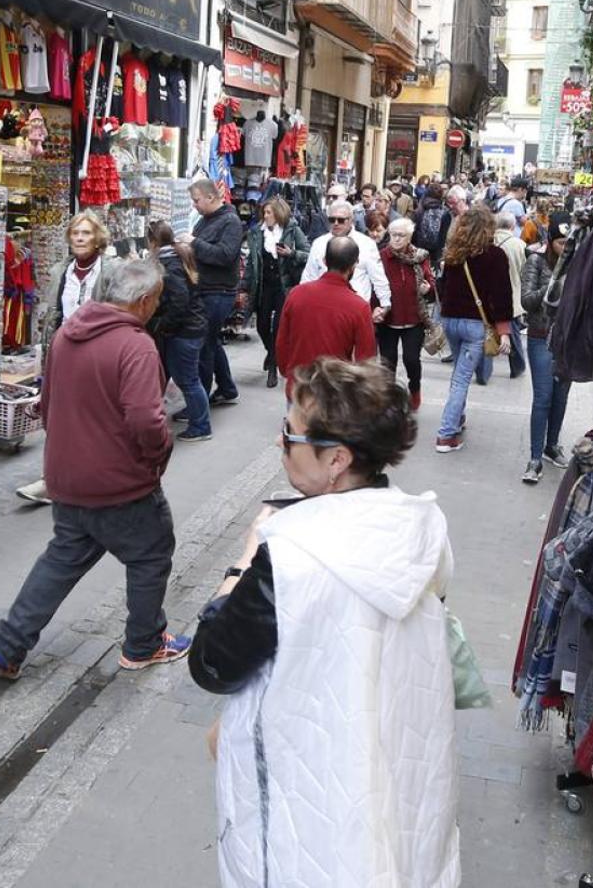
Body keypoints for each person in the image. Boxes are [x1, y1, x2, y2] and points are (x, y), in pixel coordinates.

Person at [190, 358, 460, 888]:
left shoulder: (290, 555)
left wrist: (240, 565)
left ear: (335, 459)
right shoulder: (420, 531)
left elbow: (212, 664)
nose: (280, 442)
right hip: (397, 774)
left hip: (309, 797)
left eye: (290, 432)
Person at [0, 260, 191, 679]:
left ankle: (4, 648)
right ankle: (144, 643)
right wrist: (159, 453)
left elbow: (47, 403)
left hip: (67, 477)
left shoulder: (65, 334)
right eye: (157, 299)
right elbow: (147, 420)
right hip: (120, 483)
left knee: (60, 561)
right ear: (144, 301)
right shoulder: (135, 345)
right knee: (150, 554)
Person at [18, 212, 111, 505]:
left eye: (86, 233)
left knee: (94, 419)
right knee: (58, 419)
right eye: (75, 234)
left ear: (98, 238)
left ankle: (93, 477)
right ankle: (51, 480)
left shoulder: (111, 271)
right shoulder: (62, 271)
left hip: (98, 355)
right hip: (65, 353)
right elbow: (54, 314)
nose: (80, 239)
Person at [432, 208, 513, 454]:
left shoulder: (454, 254)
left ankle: (457, 417)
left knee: (459, 371)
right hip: (475, 324)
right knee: (461, 378)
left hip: (451, 319)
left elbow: (443, 286)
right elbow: (502, 295)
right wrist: (504, 330)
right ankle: (446, 435)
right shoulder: (495, 255)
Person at [273, 237, 378, 399]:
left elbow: (282, 341)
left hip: (299, 387)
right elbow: (366, 358)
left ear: (324, 260)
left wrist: (288, 372)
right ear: (354, 264)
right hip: (335, 392)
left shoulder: (296, 294)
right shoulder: (359, 307)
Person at [146, 220, 211, 443]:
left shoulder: (169, 263)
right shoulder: (176, 256)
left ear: (153, 242)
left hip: (185, 331)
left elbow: (179, 300)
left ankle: (201, 426)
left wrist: (164, 324)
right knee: (182, 376)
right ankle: (194, 417)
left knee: (189, 380)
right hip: (190, 327)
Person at [187, 177, 245, 409]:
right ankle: (227, 387)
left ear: (211, 197)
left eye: (197, 200)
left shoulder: (230, 221)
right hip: (205, 289)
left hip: (218, 292)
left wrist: (193, 244)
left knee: (204, 343)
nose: (194, 205)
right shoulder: (205, 220)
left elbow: (225, 255)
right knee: (210, 340)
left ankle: (199, 401)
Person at [519, 228, 572, 483]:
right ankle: (535, 458)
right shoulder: (536, 261)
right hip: (540, 336)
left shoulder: (577, 264)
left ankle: (552, 445)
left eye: (569, 243)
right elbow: (527, 301)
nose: (565, 248)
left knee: (561, 396)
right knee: (543, 397)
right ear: (551, 242)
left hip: (566, 340)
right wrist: (552, 286)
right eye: (561, 243)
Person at [243, 196, 309, 390]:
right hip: (263, 285)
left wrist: (291, 254)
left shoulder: (292, 229)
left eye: (269, 212)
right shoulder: (256, 232)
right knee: (262, 325)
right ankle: (272, 353)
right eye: (264, 212)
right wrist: (245, 286)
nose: (266, 215)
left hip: (284, 286)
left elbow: (308, 252)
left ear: (279, 213)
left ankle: (273, 364)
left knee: (279, 326)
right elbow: (251, 261)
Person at [378, 216, 437, 412]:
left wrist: (427, 288)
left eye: (401, 235)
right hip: (389, 318)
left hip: (414, 318)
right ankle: (388, 398)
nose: (396, 239)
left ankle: (415, 390)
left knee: (411, 359)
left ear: (409, 236)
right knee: (388, 361)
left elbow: (430, 281)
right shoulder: (382, 256)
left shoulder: (420, 256)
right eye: (393, 235)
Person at [301, 200, 393, 311]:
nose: (335, 223)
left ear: (351, 220)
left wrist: (385, 304)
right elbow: (309, 276)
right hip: (323, 307)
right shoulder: (319, 243)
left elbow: (378, 277)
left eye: (340, 220)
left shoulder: (367, 244)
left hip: (356, 309)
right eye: (331, 219)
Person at [490, 211, 529, 381]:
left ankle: (483, 369)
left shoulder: (487, 242)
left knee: (487, 332)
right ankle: (518, 366)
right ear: (513, 226)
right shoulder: (519, 245)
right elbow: (525, 272)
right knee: (513, 335)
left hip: (487, 296)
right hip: (512, 297)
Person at [412, 184, 451, 263]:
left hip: (420, 251)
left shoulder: (419, 211)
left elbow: (413, 233)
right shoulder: (445, 212)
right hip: (437, 253)